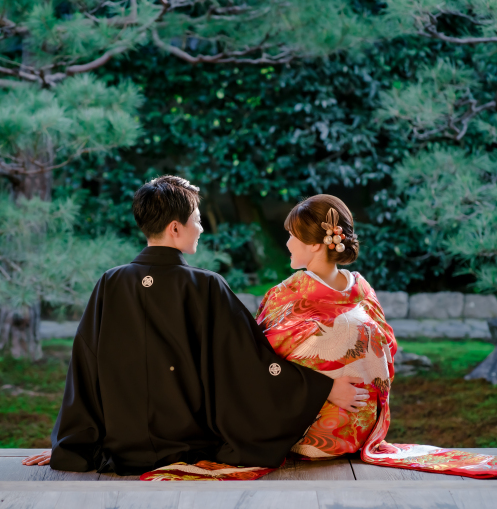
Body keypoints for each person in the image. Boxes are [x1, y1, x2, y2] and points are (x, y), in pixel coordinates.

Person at [23, 177, 368, 474]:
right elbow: (251, 365)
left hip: (120, 448)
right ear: (175, 228)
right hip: (188, 448)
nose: (201, 228)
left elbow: (84, 368)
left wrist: (71, 445)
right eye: (197, 221)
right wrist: (323, 388)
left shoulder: (110, 283)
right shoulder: (206, 286)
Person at [255, 194, 397, 460]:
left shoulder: (287, 294)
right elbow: (388, 347)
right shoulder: (362, 289)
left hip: (306, 432)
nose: (287, 243)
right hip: (359, 430)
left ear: (314, 245)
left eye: (292, 236)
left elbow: (259, 358)